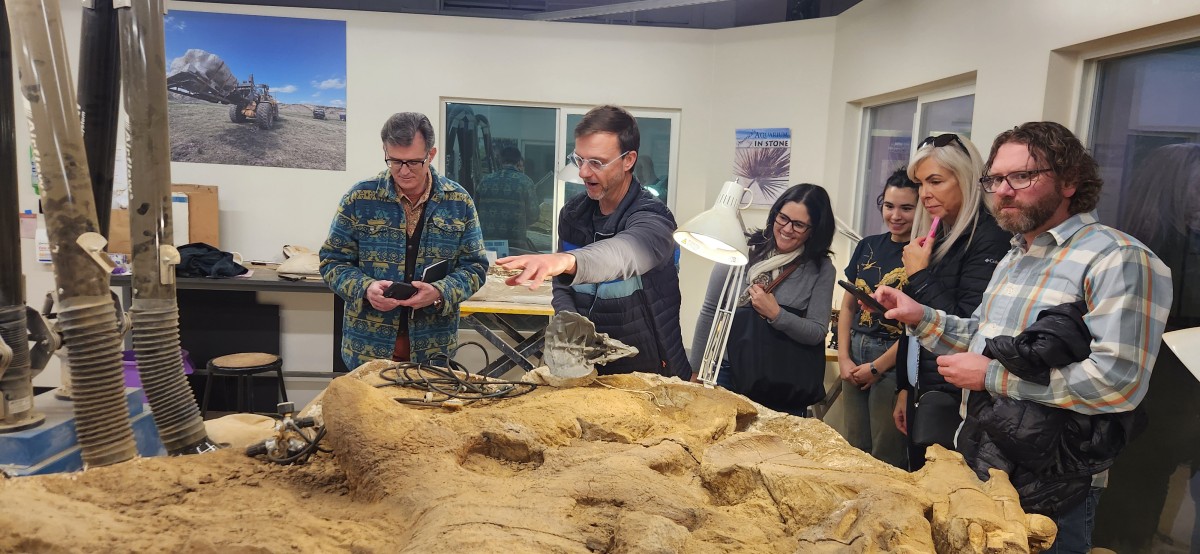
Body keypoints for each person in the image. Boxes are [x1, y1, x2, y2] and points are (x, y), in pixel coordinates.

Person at [874, 121, 1173, 553]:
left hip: (1054, 483)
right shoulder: (1016, 255)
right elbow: (981, 338)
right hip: (983, 459)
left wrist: (992, 378)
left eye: (1021, 176)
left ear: (1070, 181)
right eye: (995, 179)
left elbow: (1117, 383)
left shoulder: (1118, 258)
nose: (1003, 191)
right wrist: (921, 317)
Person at [495, 105, 689, 378]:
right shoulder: (573, 215)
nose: (583, 172)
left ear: (628, 160)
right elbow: (564, 284)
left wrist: (567, 260)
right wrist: (570, 325)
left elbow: (625, 253)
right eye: (579, 159)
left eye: (596, 162)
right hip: (589, 365)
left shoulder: (654, 218)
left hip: (649, 368)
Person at [1093, 143, 1200, 552]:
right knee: (1134, 489)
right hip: (1153, 391)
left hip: (1174, 393)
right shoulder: (1140, 254)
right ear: (1172, 190)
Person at [320, 112, 487, 369]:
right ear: (385, 151)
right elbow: (332, 262)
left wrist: (439, 292)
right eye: (395, 161)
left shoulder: (458, 202)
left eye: (414, 162)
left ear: (431, 155)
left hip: (433, 348)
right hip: (367, 348)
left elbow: (475, 267)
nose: (404, 171)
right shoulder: (360, 198)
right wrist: (365, 288)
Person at [893, 133, 1011, 471]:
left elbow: (967, 327)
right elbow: (916, 326)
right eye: (920, 184)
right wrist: (905, 387)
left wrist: (919, 275)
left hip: (957, 398)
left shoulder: (990, 237)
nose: (924, 194)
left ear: (967, 179)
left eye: (935, 181)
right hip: (925, 390)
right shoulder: (939, 234)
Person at [691, 184, 836, 416]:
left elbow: (817, 332)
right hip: (728, 374)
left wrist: (777, 314)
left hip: (782, 384)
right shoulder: (742, 248)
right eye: (783, 218)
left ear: (814, 230)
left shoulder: (821, 269)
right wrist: (696, 370)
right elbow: (710, 311)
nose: (787, 229)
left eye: (798, 225)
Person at [837, 167, 918, 468]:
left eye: (906, 208)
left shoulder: (922, 254)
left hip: (893, 358)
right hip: (855, 349)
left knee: (887, 453)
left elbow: (916, 328)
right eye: (889, 206)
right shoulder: (867, 245)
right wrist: (844, 358)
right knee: (853, 447)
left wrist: (877, 367)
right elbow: (848, 306)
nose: (895, 215)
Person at [475, 146, 540, 251]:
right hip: (515, 244)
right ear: (518, 161)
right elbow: (534, 215)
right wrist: (520, 223)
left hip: (487, 243)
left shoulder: (485, 181)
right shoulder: (525, 182)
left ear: (500, 160)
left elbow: (474, 212)